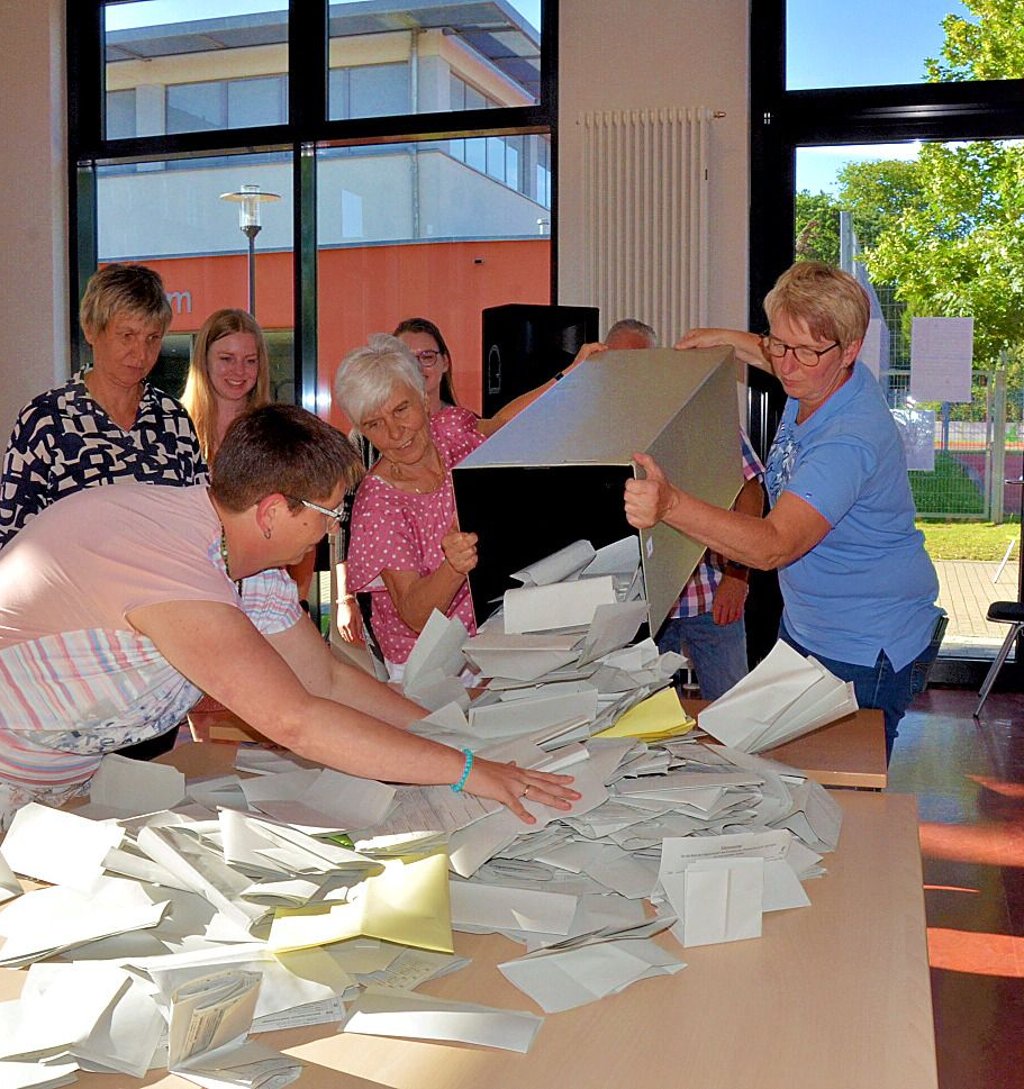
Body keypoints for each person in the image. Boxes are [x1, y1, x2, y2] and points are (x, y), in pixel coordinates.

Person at [0, 403, 577, 829]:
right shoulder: (172, 564)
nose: (332, 531)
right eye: (328, 514)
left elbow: (323, 677)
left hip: (60, 781)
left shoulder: (246, 561)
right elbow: (294, 719)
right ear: (274, 510)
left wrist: (445, 734)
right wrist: (468, 771)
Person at [625, 261, 942, 758]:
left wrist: (672, 504)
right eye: (778, 342)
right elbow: (788, 353)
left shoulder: (848, 439)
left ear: (849, 351)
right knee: (788, 772)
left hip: (866, 645)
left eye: (806, 352)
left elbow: (774, 545)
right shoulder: (821, 375)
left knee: (843, 788)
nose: (787, 364)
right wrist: (726, 339)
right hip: (809, 628)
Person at [605, 318, 765, 700]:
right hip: (634, 609)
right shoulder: (598, 427)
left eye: (640, 361)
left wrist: (738, 576)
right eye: (619, 363)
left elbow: (750, 491)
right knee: (637, 723)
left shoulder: (697, 415)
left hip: (710, 598)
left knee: (731, 716)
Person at [0, 263, 206, 550]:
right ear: (91, 330)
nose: (141, 353)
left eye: (152, 338)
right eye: (127, 336)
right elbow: (13, 538)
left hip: (163, 590)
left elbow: (200, 523)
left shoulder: (174, 419)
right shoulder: (46, 420)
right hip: (74, 590)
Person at [335, 335, 487, 676]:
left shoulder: (451, 431)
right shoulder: (378, 502)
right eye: (375, 424)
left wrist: (568, 375)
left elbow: (512, 425)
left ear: (422, 395)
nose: (395, 432)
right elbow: (415, 615)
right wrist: (454, 565)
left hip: (488, 637)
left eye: (401, 410)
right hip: (429, 665)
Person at [393, 316, 606, 437]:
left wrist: (571, 371)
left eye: (427, 357)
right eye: (406, 359)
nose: (417, 368)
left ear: (445, 362)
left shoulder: (461, 424)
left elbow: (503, 421)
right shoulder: (371, 436)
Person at [181, 308, 270, 464]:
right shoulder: (173, 426)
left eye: (250, 360)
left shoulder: (276, 430)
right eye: (227, 359)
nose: (239, 371)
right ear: (204, 360)